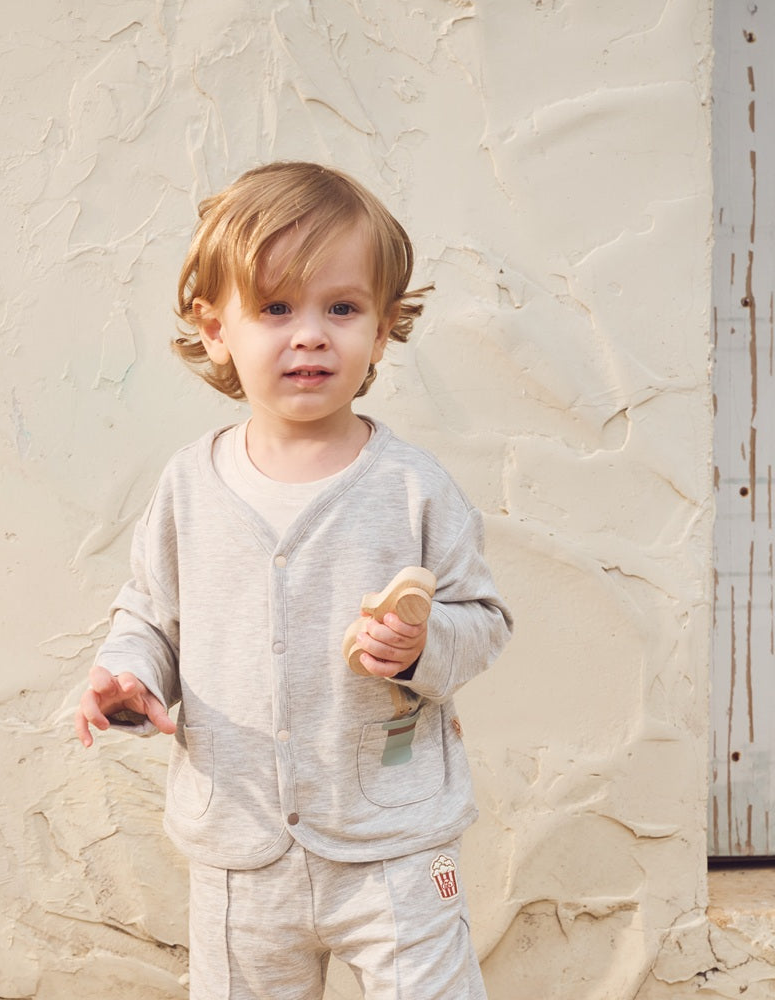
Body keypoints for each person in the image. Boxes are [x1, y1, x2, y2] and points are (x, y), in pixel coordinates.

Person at [75, 161, 513, 999]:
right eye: (275, 308)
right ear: (215, 331)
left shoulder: (413, 488)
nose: (310, 334)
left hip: (395, 843)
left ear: (382, 332)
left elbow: (484, 621)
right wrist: (130, 675)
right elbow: (150, 617)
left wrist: (425, 644)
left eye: (342, 309)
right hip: (241, 854)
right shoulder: (187, 487)